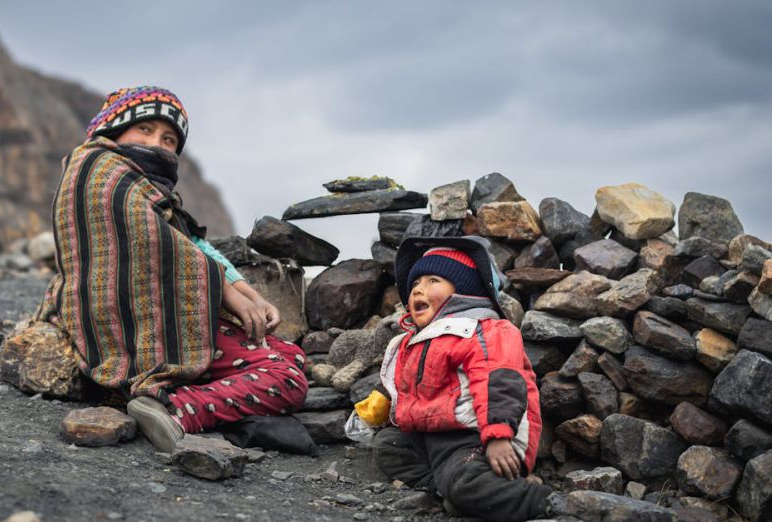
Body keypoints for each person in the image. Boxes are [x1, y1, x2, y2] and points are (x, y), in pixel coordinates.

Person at [35, 86, 308, 452]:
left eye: (169, 139)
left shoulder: (153, 192)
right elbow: (156, 245)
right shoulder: (97, 169)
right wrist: (229, 296)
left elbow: (191, 246)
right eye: (144, 130)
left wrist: (250, 294)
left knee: (289, 354)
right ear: (115, 130)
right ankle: (173, 410)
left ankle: (192, 396)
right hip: (123, 320)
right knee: (285, 376)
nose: (158, 144)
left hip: (165, 313)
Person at [354, 236, 558, 521]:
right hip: (430, 437)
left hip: (477, 439)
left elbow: (498, 381)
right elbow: (402, 383)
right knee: (389, 446)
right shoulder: (417, 339)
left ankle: (550, 505)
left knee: (466, 480)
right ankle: (447, 491)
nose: (418, 291)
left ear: (465, 289)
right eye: (414, 284)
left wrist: (498, 435)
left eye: (432, 281)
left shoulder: (484, 330)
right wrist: (380, 404)